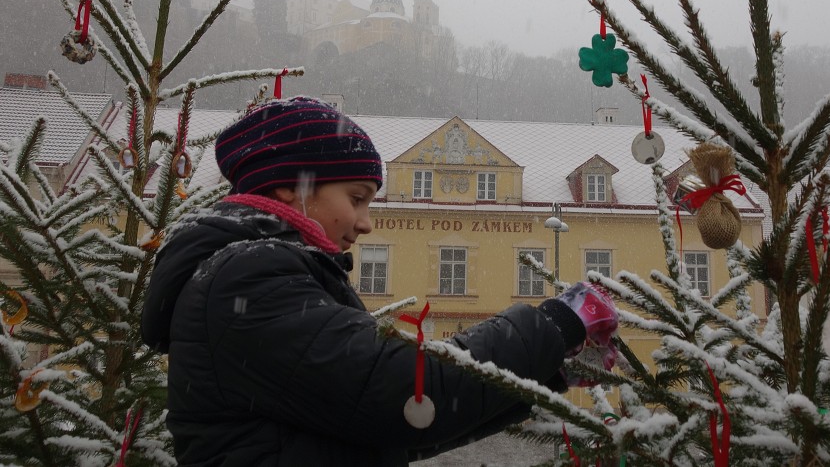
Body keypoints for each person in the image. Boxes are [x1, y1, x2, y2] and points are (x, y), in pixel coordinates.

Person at [141, 96, 618, 466]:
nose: (367, 222)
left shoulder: (260, 273)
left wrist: (545, 370)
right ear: (291, 186)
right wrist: (554, 324)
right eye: (357, 197)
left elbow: (402, 426)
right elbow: (400, 390)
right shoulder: (245, 277)